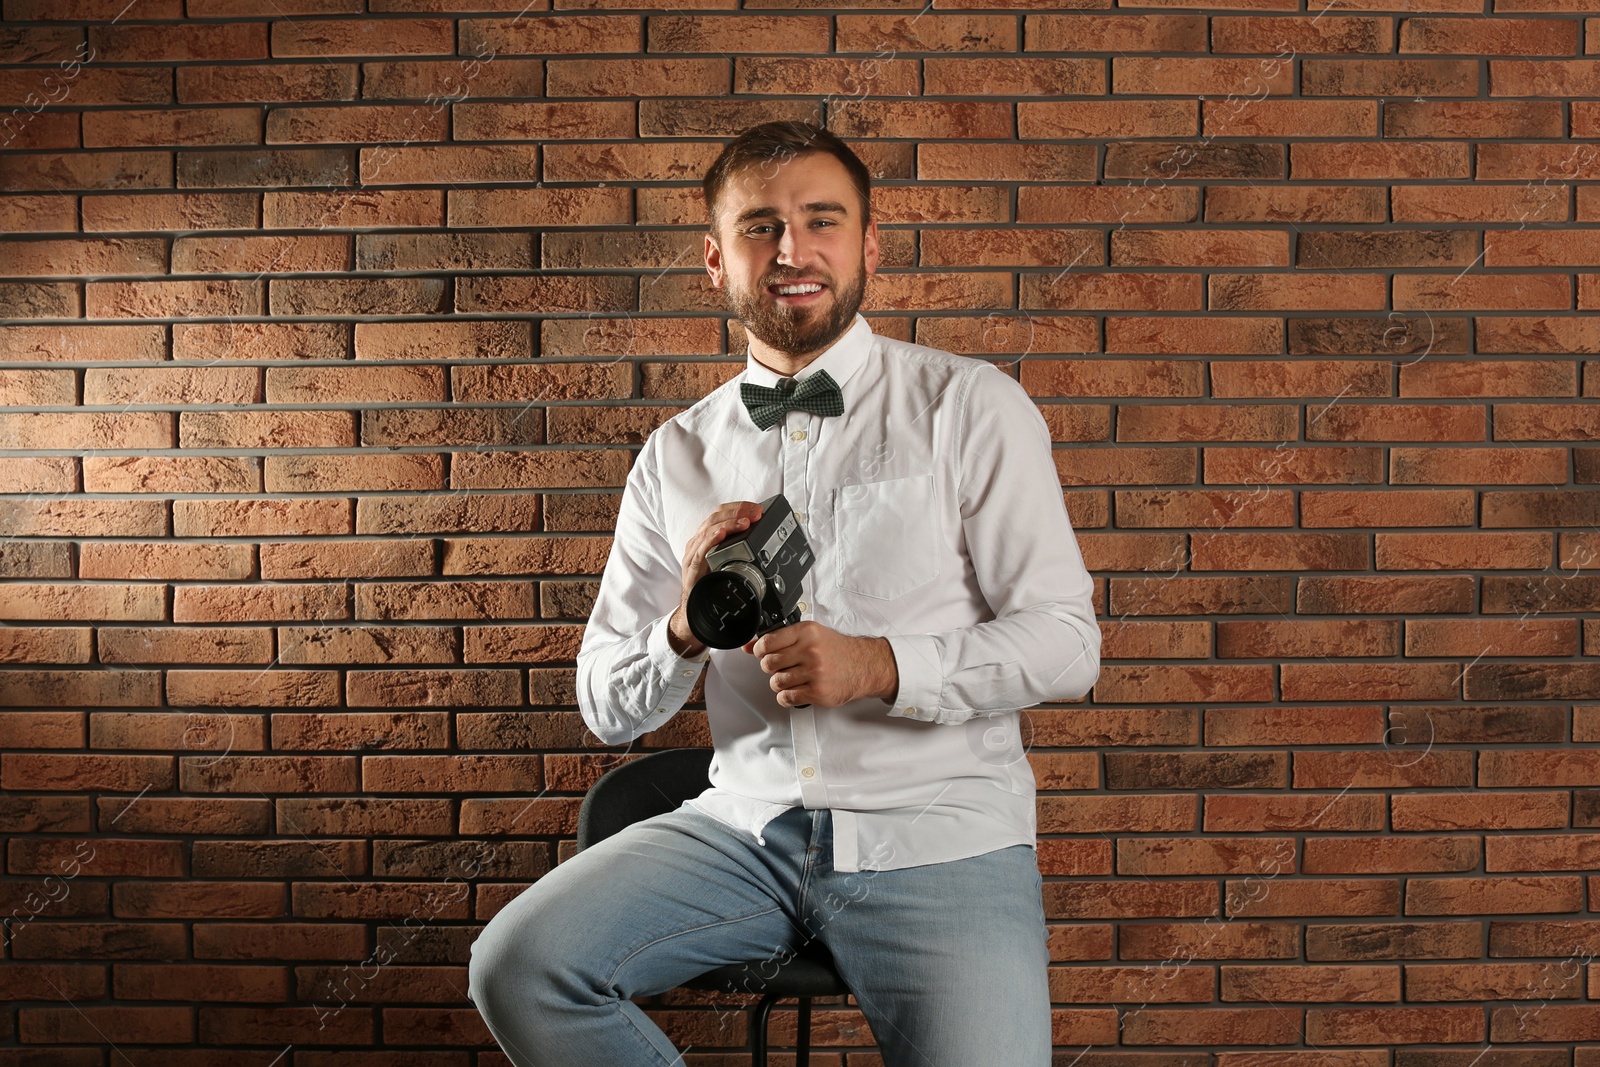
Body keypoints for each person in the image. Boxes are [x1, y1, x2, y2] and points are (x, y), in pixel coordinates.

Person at [467, 120, 1101, 1067]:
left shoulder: (971, 407)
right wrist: (682, 626)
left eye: (821, 221)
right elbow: (603, 704)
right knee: (519, 967)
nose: (793, 251)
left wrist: (880, 665)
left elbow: (1066, 645)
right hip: (746, 830)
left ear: (868, 246)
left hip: (940, 836)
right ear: (716, 260)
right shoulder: (675, 453)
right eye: (761, 227)